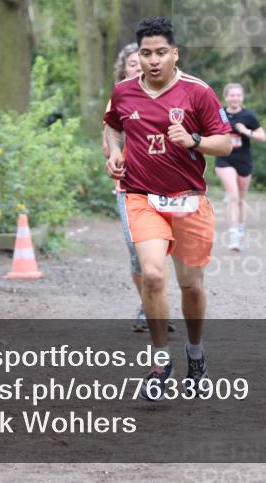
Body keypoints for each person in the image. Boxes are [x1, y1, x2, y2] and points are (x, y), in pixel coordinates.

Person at [103, 16, 232, 400]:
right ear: (137, 56)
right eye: (146, 53)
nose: (154, 60)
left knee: (190, 286)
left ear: (175, 54)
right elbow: (111, 125)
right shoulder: (124, 92)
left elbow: (224, 144)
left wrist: (193, 141)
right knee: (153, 275)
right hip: (141, 196)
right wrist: (113, 152)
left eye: (161, 52)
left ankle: (195, 354)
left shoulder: (198, 92)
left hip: (188, 199)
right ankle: (160, 362)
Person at [102, 44, 175, 334]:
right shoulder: (119, 99)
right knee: (136, 252)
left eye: (141, 61)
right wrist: (114, 156)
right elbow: (107, 140)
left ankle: (157, 306)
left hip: (167, 186)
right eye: (132, 63)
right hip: (129, 186)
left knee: (159, 251)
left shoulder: (167, 94)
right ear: (125, 68)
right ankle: (147, 303)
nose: (138, 67)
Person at [214, 83, 266, 251]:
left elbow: (262, 136)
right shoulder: (220, 113)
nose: (235, 98)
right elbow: (209, 130)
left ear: (242, 98)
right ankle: (233, 236)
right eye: (232, 95)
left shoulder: (249, 116)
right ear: (226, 97)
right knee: (233, 196)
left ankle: (241, 227)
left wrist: (246, 131)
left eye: (238, 95)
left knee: (241, 199)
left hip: (243, 160)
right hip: (224, 159)